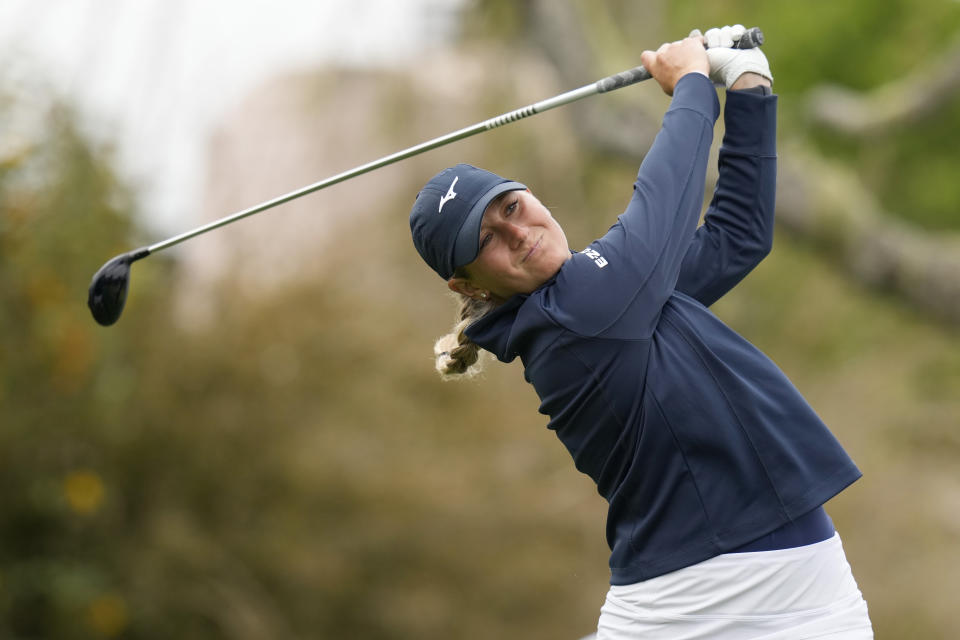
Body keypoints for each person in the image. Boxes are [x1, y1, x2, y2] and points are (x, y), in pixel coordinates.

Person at [409, 25, 874, 639]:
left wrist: (749, 87)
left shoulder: (612, 295)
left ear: (531, 195)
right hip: (716, 603)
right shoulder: (574, 316)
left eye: (511, 208)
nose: (517, 233)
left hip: (762, 593)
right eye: (486, 241)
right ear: (469, 287)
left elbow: (737, 236)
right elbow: (662, 201)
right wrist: (689, 87)